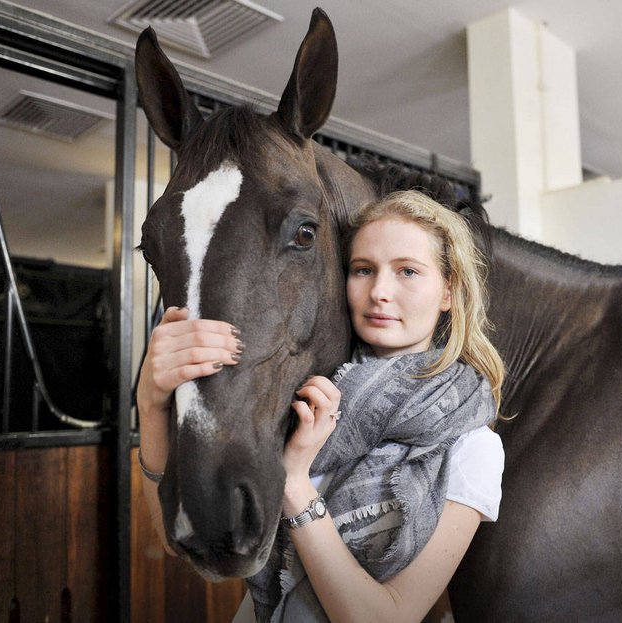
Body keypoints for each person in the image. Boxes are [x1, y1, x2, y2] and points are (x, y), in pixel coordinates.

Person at [137, 190, 505, 622]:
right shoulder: (300, 395)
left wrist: (295, 483)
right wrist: (150, 402)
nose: (380, 291)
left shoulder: (471, 447)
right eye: (363, 270)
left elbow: (387, 618)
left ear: (449, 290)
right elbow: (175, 534)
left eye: (407, 271)